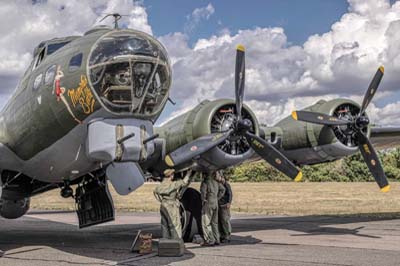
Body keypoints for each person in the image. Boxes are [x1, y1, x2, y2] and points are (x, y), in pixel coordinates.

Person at [154, 169, 192, 239]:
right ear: (171, 176)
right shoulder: (173, 184)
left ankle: (166, 241)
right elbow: (184, 182)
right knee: (175, 224)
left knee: (164, 225)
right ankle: (176, 241)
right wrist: (188, 174)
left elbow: (155, 192)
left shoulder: (161, 185)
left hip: (163, 205)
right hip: (171, 205)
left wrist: (161, 200)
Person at [200, 171, 225, 246]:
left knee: (206, 222)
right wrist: (217, 197)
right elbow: (223, 189)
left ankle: (209, 240)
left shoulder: (205, 182)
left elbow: (203, 192)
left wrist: (203, 199)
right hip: (215, 203)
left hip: (208, 203)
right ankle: (217, 239)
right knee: (214, 223)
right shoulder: (216, 182)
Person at [217, 171, 233, 243]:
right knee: (220, 221)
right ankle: (222, 235)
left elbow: (230, 194)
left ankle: (227, 235)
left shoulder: (226, 185)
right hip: (219, 204)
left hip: (224, 205)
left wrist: (229, 202)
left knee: (225, 221)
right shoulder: (218, 185)